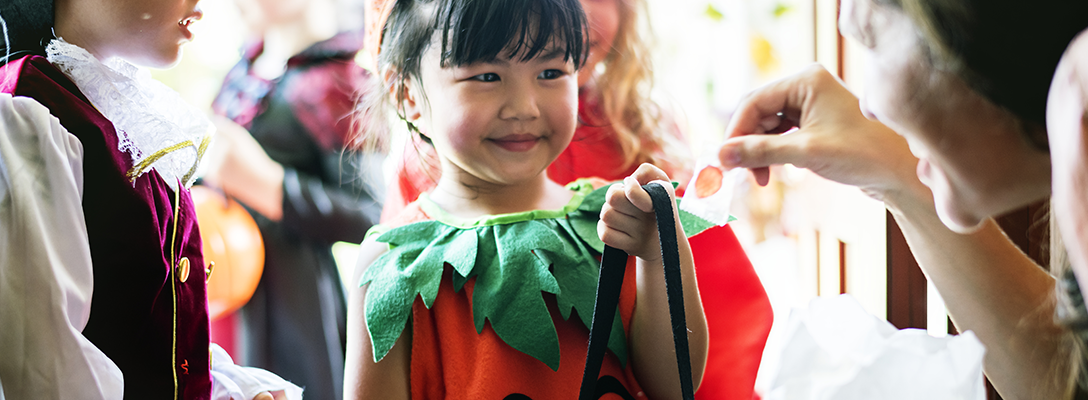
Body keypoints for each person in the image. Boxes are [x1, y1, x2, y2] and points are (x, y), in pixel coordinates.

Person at [373, 0, 774, 397]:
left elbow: (673, 386)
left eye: (550, 72)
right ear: (407, 93)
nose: (524, 107)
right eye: (487, 76)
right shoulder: (394, 258)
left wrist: (658, 256)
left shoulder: (613, 221)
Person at [716, 0, 1088, 398]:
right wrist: (899, 176)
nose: (867, 107)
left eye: (871, 38)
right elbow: (1067, 381)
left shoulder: (1078, 90)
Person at [0, 0, 300, 398]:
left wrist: (229, 388)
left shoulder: (120, 112)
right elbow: (50, 376)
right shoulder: (27, 116)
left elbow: (150, 335)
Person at [205, 0, 383, 398]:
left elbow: (376, 214)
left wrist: (273, 187)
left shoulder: (335, 82)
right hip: (222, 288)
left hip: (291, 303)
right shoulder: (245, 69)